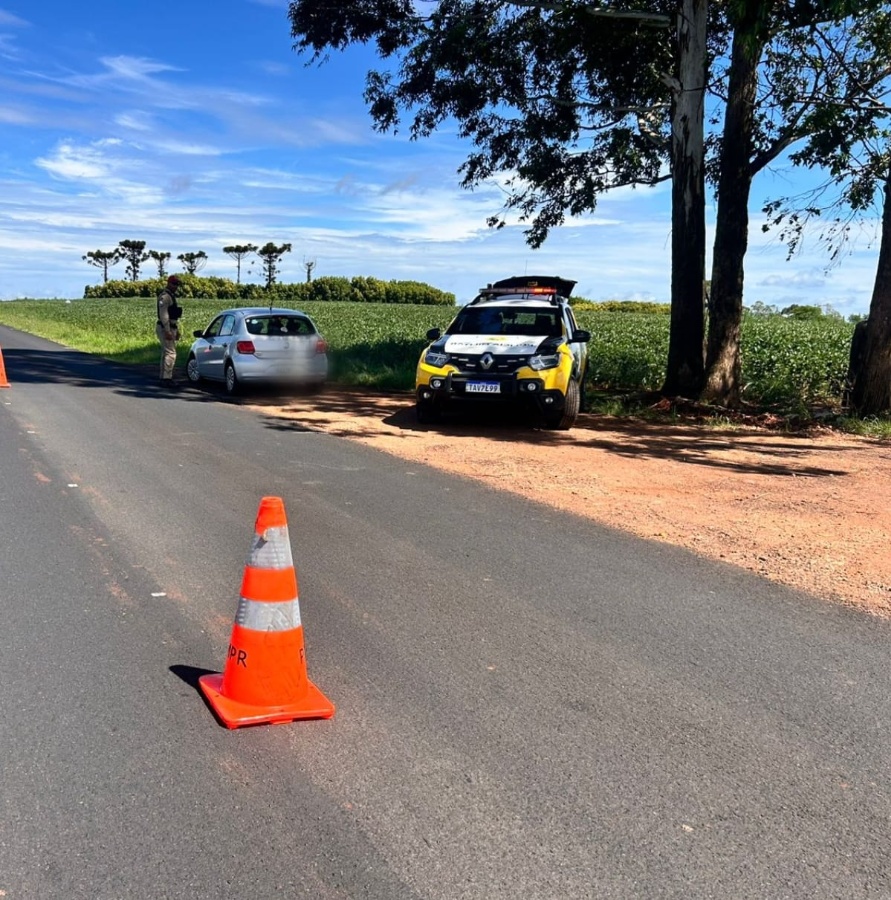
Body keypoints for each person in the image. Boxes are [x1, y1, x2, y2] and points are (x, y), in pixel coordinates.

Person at [156, 275, 183, 388]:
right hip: (164, 327)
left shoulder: (171, 296)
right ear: (168, 283)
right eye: (174, 284)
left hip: (170, 326)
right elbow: (164, 315)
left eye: (177, 284)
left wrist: (176, 331)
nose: (176, 286)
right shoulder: (165, 297)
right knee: (171, 353)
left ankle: (163, 377)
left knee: (166, 353)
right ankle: (167, 378)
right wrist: (167, 330)